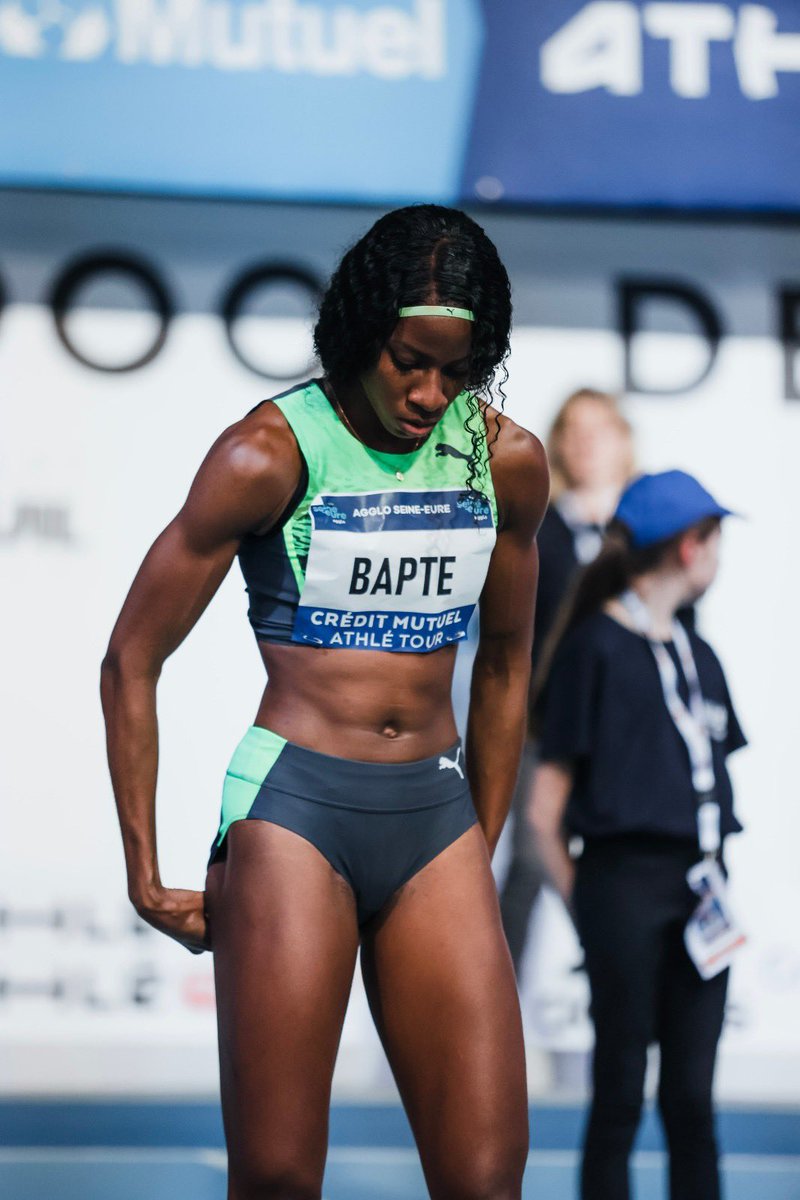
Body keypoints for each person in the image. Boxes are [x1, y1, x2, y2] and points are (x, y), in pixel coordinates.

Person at [100, 204, 549, 1200]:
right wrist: (143, 872)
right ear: (359, 333)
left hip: (432, 819)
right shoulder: (265, 453)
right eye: (406, 361)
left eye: (457, 368)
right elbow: (131, 659)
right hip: (295, 811)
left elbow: (507, 663)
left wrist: (475, 837)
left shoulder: (503, 461)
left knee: (486, 1179)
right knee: (275, 1176)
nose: (430, 393)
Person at [529, 470, 746, 1200]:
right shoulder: (595, 649)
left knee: (691, 1100)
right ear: (690, 548)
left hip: (701, 887)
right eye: (713, 539)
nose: (717, 556)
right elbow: (543, 811)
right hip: (621, 886)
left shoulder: (699, 656)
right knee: (620, 1089)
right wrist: (589, 902)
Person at [500, 388, 635, 972]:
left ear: (623, 440)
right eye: (572, 429)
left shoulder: (644, 528)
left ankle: (625, 979)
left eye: (598, 428)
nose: (584, 442)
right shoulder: (538, 527)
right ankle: (495, 1002)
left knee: (630, 862)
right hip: (545, 730)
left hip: (626, 733)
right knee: (531, 861)